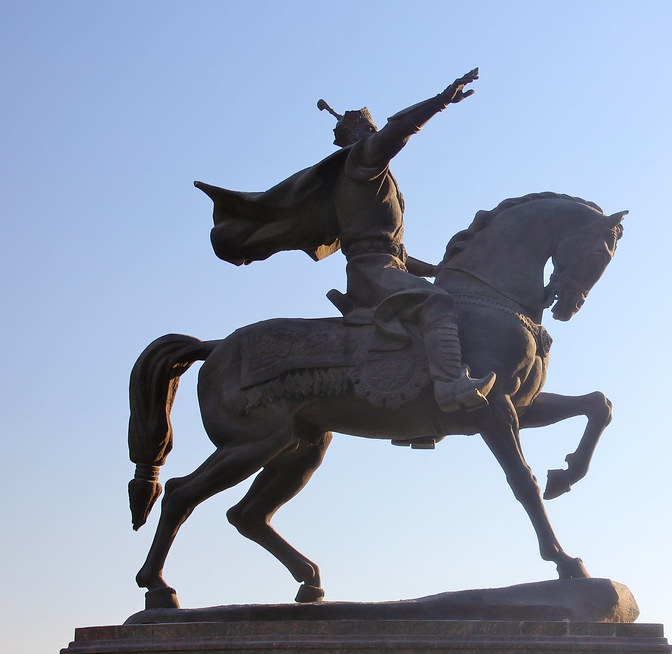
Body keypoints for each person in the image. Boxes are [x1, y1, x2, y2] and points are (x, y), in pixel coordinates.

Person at [194, 69, 495, 412]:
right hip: (370, 273)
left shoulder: (379, 181)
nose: (376, 133)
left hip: (386, 266)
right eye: (368, 129)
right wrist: (440, 101)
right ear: (354, 137)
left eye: (374, 130)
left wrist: (438, 269)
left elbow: (397, 253)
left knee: (443, 297)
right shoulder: (361, 161)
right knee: (437, 303)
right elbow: (399, 131)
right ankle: (450, 386)